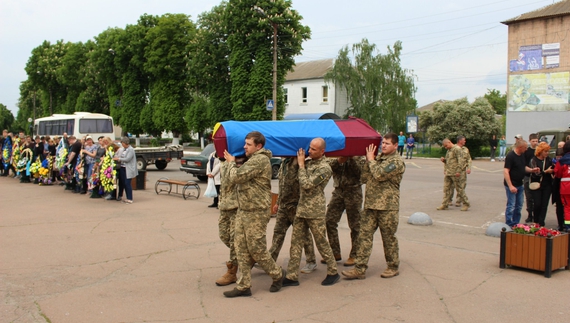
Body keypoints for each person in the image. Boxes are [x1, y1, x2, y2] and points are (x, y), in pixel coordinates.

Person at [222, 131, 284, 298]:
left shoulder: (260, 160)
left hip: (256, 211)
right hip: (244, 209)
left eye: (248, 144)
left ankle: (277, 274)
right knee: (240, 247)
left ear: (258, 146)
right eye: (244, 143)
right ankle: (244, 286)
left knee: (257, 249)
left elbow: (237, 177)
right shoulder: (252, 159)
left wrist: (230, 163)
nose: (244, 147)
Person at [342, 133, 406, 280]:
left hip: (387, 207)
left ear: (396, 146)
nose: (383, 145)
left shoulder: (396, 162)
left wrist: (371, 160)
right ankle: (360, 269)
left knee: (388, 238)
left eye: (387, 143)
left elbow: (379, 175)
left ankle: (392, 266)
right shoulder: (376, 159)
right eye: (383, 143)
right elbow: (364, 178)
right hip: (371, 205)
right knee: (364, 237)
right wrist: (367, 161)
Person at [282, 138, 339, 287]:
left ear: (322, 151)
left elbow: (306, 185)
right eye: (310, 148)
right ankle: (292, 275)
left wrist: (301, 165)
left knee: (321, 242)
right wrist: (295, 163)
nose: (309, 151)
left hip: (315, 211)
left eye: (314, 149)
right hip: (302, 208)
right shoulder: (308, 162)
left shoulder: (325, 168)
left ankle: (333, 272)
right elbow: (293, 179)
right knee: (295, 243)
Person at [268, 157, 317, 274]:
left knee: (304, 235)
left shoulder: (302, 163)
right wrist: (278, 202)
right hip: (284, 206)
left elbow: (303, 183)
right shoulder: (283, 163)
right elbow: (282, 184)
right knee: (278, 233)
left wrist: (298, 162)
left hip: (296, 205)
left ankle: (311, 261)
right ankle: (271, 259)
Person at [324, 156, 363, 267]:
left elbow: (361, 173)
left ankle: (355, 254)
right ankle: (335, 251)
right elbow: (327, 167)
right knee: (329, 221)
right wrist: (339, 160)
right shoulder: (335, 154)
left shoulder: (359, 156)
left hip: (353, 191)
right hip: (338, 191)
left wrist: (351, 158)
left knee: (355, 225)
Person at [215, 156, 246, 286]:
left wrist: (233, 161)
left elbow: (237, 178)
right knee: (224, 235)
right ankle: (248, 254)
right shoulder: (222, 159)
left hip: (237, 205)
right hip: (224, 204)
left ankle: (232, 272)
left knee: (235, 240)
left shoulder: (240, 157)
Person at [504, 140, 537, 227]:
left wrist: (531, 170)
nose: (526, 149)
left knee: (519, 205)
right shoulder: (511, 156)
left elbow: (523, 167)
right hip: (512, 185)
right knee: (511, 205)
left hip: (519, 184)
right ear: (520, 147)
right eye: (525, 147)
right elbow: (506, 171)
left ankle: (516, 223)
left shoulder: (522, 155)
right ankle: (508, 223)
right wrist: (510, 186)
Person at [528, 142, 554, 227]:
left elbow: (553, 169)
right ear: (540, 151)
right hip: (536, 185)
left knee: (544, 204)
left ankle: (541, 222)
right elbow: (536, 174)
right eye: (545, 151)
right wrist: (546, 171)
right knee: (537, 203)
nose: (547, 153)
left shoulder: (549, 160)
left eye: (548, 151)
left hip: (547, 185)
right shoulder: (534, 160)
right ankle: (536, 221)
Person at [436, 139, 463, 210]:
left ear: (449, 142)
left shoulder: (457, 149)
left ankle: (466, 203)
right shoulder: (449, 150)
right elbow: (448, 161)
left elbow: (460, 161)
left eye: (446, 146)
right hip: (449, 173)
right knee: (446, 189)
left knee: (459, 189)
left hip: (455, 173)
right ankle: (444, 204)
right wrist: (444, 160)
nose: (446, 147)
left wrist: (458, 171)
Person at [113, 137, 138, 204]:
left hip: (128, 169)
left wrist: (119, 159)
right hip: (122, 168)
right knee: (123, 183)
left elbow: (127, 159)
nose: (122, 144)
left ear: (125, 143)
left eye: (122, 143)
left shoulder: (131, 149)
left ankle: (130, 198)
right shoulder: (124, 149)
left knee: (127, 183)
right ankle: (126, 197)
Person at [554, 141, 570, 231]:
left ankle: (568, 226)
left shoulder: (561, 161)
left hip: (566, 188)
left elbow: (558, 174)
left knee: (567, 208)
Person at [523, 133, 539, 223]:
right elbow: (524, 164)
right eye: (533, 141)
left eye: (536, 141)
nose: (535, 143)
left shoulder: (539, 151)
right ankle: (530, 215)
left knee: (536, 198)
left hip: (537, 177)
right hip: (528, 176)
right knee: (529, 197)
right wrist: (530, 170)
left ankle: (537, 215)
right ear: (530, 141)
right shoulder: (527, 151)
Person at [552, 143, 566, 231]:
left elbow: (558, 174)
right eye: (557, 157)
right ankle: (561, 224)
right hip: (558, 187)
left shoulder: (561, 163)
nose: (559, 159)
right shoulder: (560, 163)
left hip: (562, 187)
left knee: (564, 208)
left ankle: (564, 224)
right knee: (560, 207)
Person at [455, 135, 471, 210]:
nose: (465, 141)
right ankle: (448, 200)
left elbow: (469, 159)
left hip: (462, 171)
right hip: (454, 170)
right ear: (460, 141)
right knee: (453, 186)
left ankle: (458, 200)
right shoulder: (454, 148)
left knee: (462, 185)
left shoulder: (465, 149)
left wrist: (469, 168)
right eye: (464, 140)